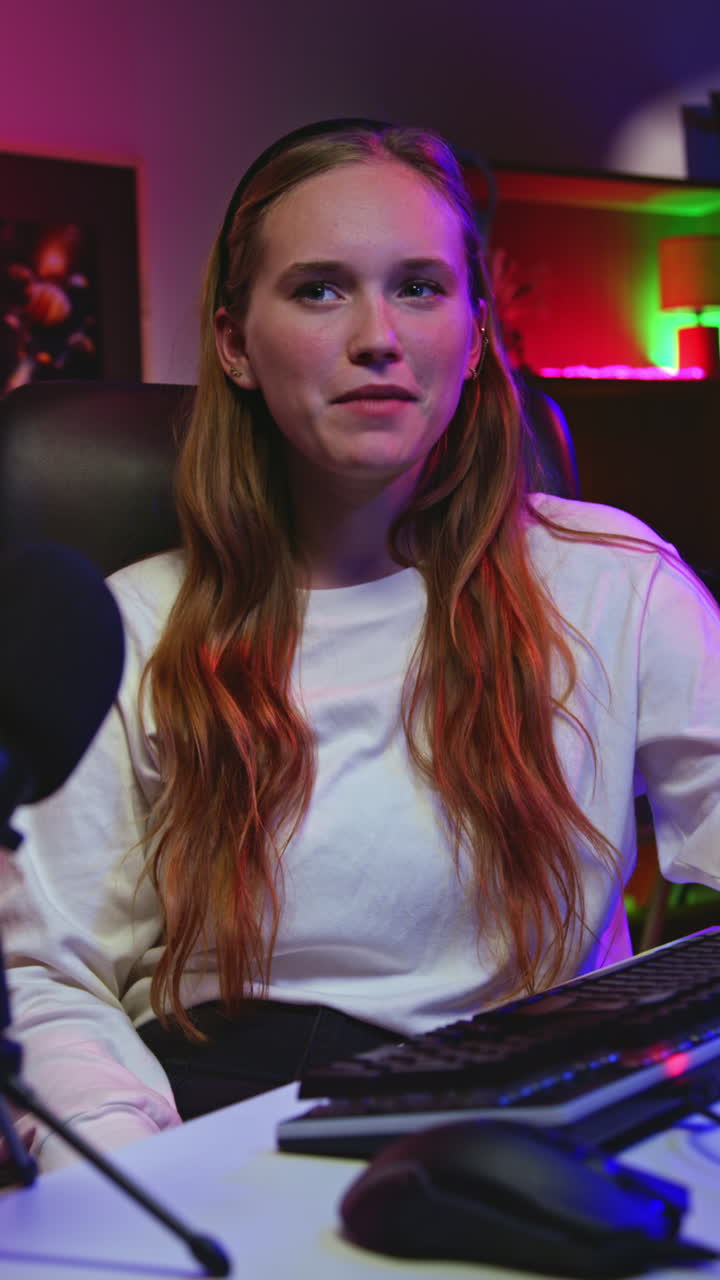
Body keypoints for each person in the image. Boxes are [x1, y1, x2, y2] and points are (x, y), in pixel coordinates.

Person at [2, 118, 720, 1175]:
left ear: (476, 334)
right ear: (236, 343)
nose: (377, 334)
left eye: (421, 286)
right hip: (218, 1121)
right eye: (320, 288)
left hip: (510, 1129)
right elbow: (51, 973)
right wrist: (127, 1183)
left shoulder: (614, 580)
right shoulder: (136, 622)